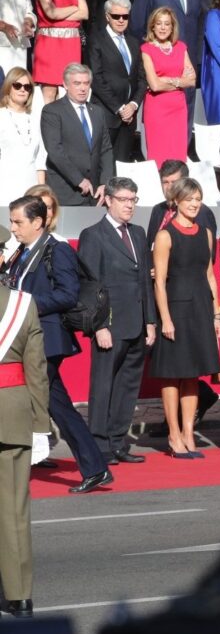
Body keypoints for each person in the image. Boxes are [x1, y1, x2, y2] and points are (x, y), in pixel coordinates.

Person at [4, 195, 112, 493]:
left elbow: (68, 295)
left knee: (29, 401)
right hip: (29, 340)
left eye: (18, 222)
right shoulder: (21, 253)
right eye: (12, 221)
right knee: (58, 405)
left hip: (47, 340)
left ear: (37, 222)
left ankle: (20, 459)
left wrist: (24, 305)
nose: (13, 228)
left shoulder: (57, 250)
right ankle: (96, 468)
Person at [78, 177, 156, 465]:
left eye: (133, 199)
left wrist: (150, 321)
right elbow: (89, 286)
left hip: (137, 322)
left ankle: (118, 440)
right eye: (123, 199)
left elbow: (144, 282)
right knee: (103, 386)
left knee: (127, 386)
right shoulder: (93, 235)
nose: (129, 205)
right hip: (109, 325)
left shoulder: (137, 233)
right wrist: (99, 326)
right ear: (108, 200)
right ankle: (99, 445)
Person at [151, 177, 220, 459]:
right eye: (189, 199)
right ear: (176, 201)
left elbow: (209, 276)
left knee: (192, 375)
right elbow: (159, 282)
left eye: (198, 198)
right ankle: (173, 434)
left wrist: (216, 314)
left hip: (200, 309)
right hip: (176, 309)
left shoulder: (205, 232)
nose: (194, 204)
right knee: (172, 375)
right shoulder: (165, 235)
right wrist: (165, 319)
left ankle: (189, 432)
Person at [0, 228, 49, 619]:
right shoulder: (22, 303)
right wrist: (41, 424)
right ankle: (19, 596)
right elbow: (36, 371)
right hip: (13, 414)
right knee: (13, 511)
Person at [40, 62, 114, 207]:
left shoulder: (97, 112)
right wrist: (78, 179)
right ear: (65, 85)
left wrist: (105, 183)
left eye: (86, 83)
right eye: (77, 83)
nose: (82, 88)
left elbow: (106, 149)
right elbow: (55, 151)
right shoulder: (52, 111)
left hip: (95, 194)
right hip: (66, 191)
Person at [87, 0, 147, 163]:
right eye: (116, 16)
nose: (121, 20)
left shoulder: (134, 43)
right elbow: (96, 79)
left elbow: (141, 79)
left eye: (125, 16)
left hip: (129, 118)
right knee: (103, 165)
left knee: (122, 166)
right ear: (107, 16)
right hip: (107, 114)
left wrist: (133, 105)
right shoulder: (96, 40)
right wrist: (120, 108)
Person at [141, 7, 196, 167]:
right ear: (153, 26)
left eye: (167, 24)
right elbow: (155, 85)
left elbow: (192, 80)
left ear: (173, 27)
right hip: (157, 109)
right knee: (159, 155)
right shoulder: (147, 49)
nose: (163, 28)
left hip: (178, 108)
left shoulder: (181, 47)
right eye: (159, 24)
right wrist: (179, 81)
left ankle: (178, 190)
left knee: (178, 154)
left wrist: (169, 80)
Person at [0, 68, 46, 206]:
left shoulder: (35, 119)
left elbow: (40, 160)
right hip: (5, 184)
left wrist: (41, 192)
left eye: (27, 87)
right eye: (17, 85)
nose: (22, 90)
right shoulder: (1, 116)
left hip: (31, 186)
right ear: (8, 87)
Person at [32, 0, 87, 103]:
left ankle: (65, 119)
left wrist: (59, 15)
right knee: (49, 90)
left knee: (70, 88)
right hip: (49, 43)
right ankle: (48, 119)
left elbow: (84, 14)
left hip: (71, 44)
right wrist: (74, 8)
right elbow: (52, 14)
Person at [0, 0, 37, 75]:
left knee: (18, 83)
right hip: (2, 46)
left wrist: (27, 24)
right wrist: (5, 26)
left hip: (20, 46)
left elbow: (29, 12)